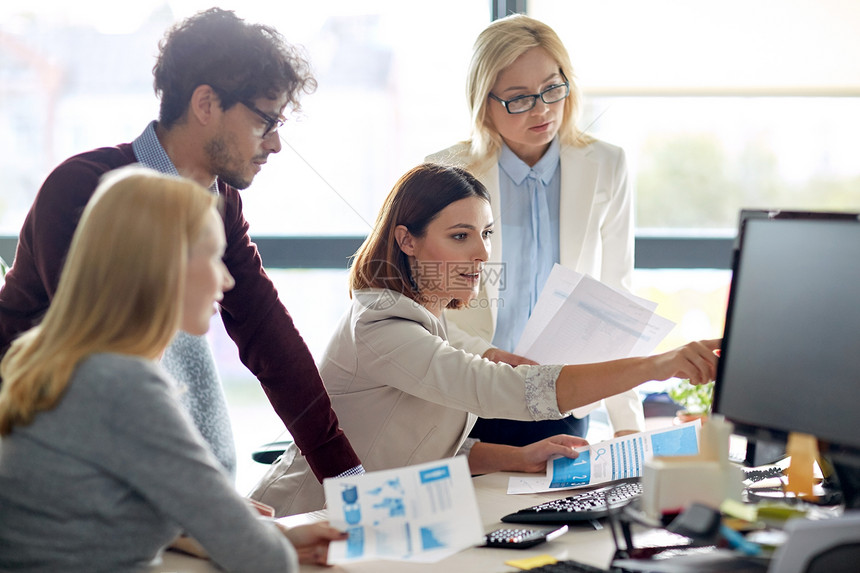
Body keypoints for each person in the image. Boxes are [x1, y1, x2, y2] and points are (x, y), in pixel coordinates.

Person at [0, 7, 362, 480]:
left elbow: (265, 329)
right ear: (206, 104)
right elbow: (105, 357)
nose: (275, 144)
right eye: (264, 121)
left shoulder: (219, 201)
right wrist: (199, 508)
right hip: (42, 454)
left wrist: (345, 477)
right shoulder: (85, 188)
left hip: (133, 466)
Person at [249, 163, 719, 517]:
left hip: (371, 520)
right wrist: (660, 364)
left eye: (486, 233)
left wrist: (521, 457)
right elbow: (512, 390)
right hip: (298, 524)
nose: (482, 252)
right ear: (406, 241)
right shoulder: (382, 326)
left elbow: (425, 444)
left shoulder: (428, 320)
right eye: (460, 236)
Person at [0, 167, 346, 572]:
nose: (228, 278)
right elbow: (263, 560)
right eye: (215, 257)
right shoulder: (121, 383)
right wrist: (274, 545)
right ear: (165, 266)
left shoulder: (60, 359)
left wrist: (280, 537)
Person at [427, 14, 643, 447]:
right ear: (484, 102)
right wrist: (487, 359)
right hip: (472, 395)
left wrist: (627, 423)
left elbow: (616, 295)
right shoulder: (446, 172)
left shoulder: (607, 165)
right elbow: (428, 308)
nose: (543, 109)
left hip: (565, 395)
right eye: (520, 98)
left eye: (551, 88)